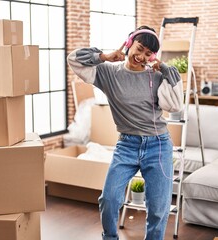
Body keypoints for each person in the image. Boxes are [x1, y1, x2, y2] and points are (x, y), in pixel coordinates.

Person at [67, 25, 183, 240]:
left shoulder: (155, 77)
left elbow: (176, 105)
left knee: (158, 207)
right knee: (109, 199)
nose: (141, 57)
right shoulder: (109, 72)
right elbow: (74, 59)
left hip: (157, 145)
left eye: (148, 54)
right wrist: (103, 56)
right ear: (129, 44)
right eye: (139, 49)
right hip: (127, 145)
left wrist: (166, 70)